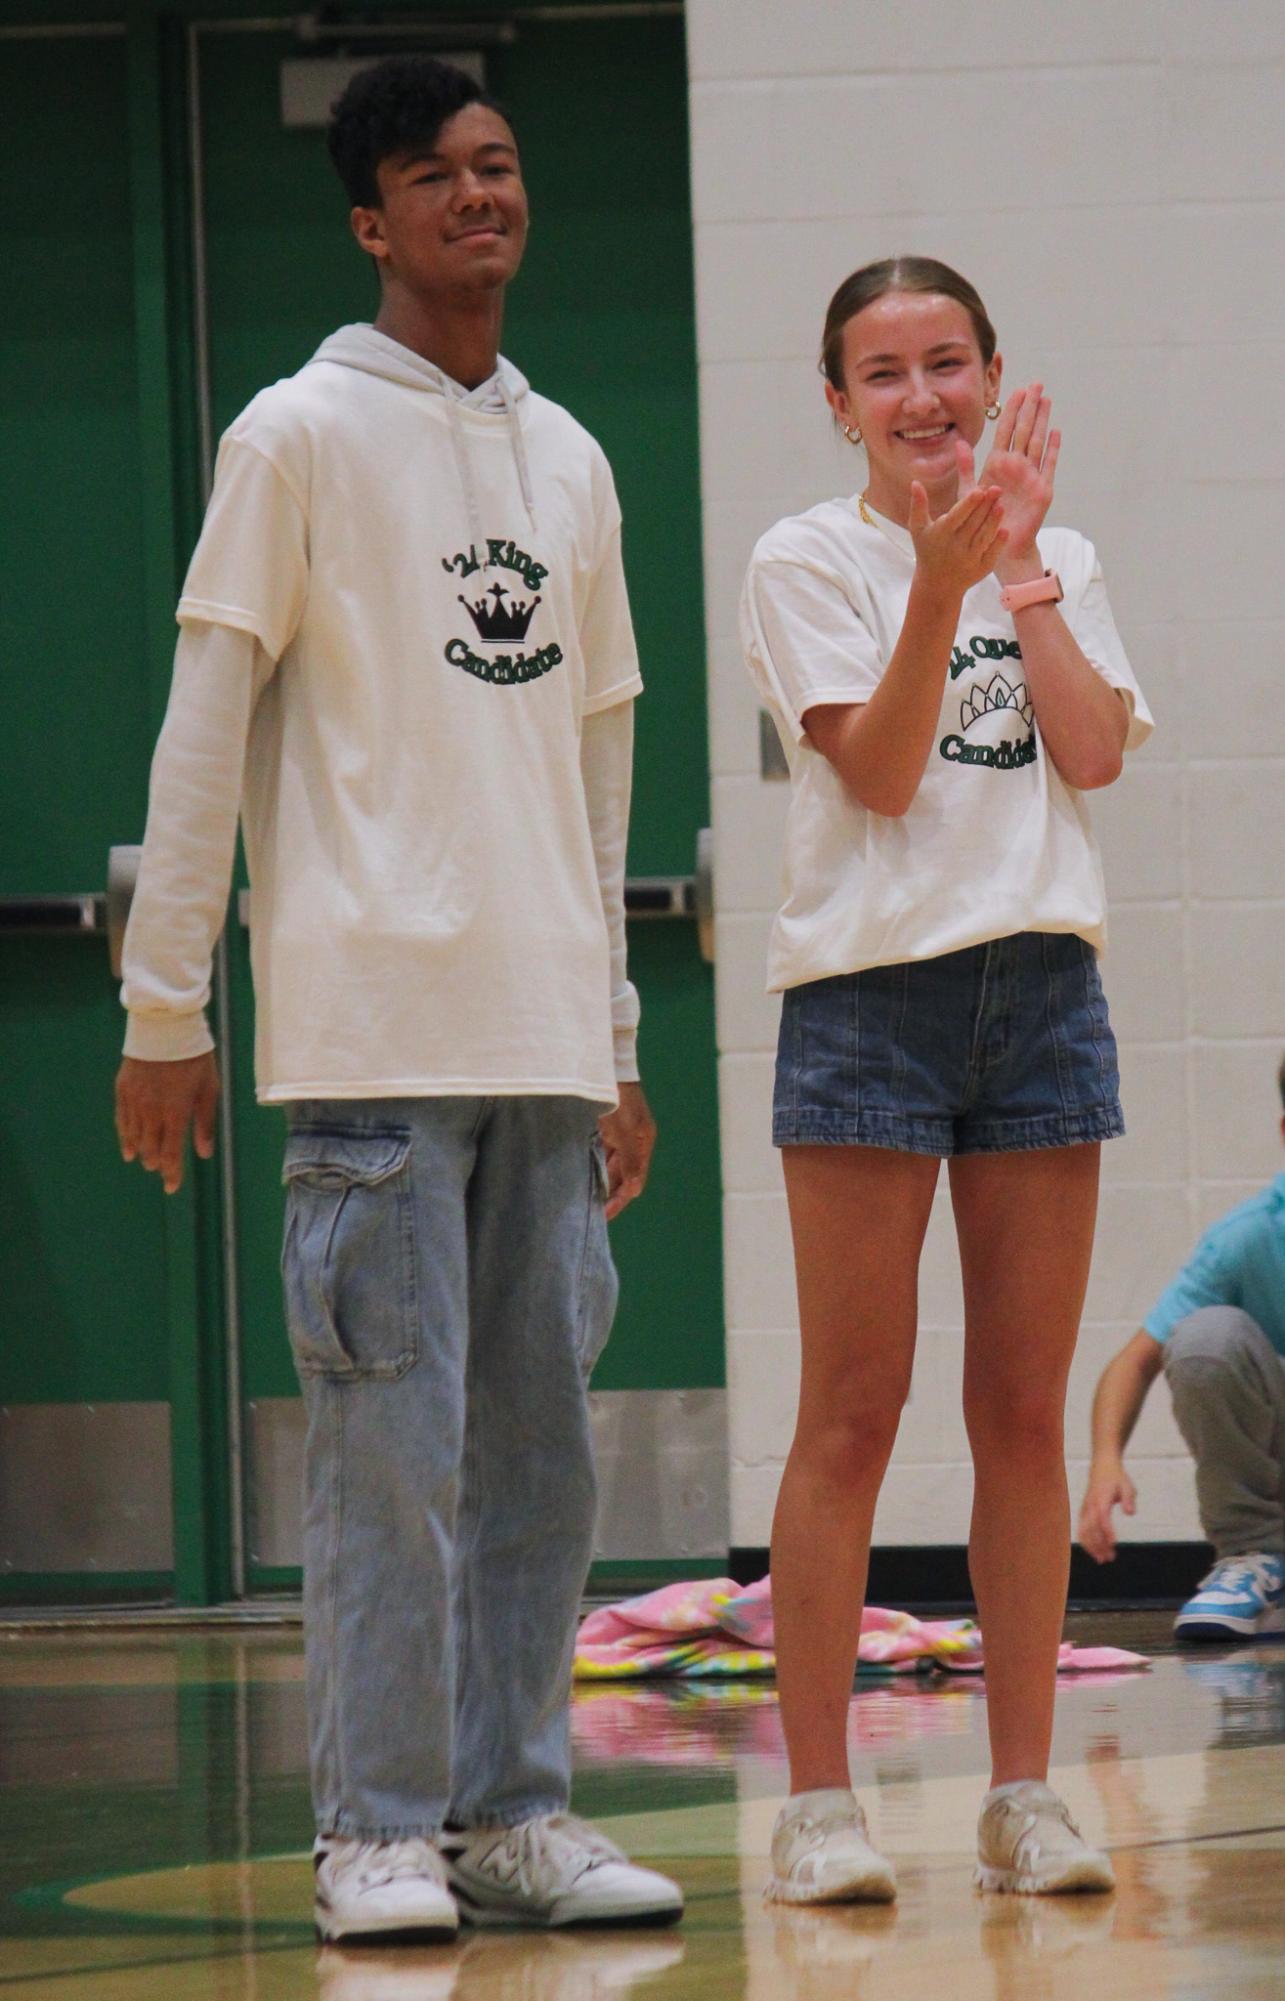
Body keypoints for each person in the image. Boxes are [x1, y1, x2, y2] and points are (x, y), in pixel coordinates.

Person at [113, 55, 682, 1943]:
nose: (477, 196)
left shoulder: (575, 455)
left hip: (539, 1037)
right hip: (368, 1035)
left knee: (539, 1455)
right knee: (388, 1460)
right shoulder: (293, 432)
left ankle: (516, 1811)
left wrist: (613, 1036)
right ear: (372, 218)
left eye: (499, 164)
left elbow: (597, 782)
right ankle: (374, 1824)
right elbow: (207, 726)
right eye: (434, 176)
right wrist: (163, 1001)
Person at [740, 255, 1153, 1903]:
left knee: (1018, 1409)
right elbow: (891, 770)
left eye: (947, 365)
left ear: (992, 376)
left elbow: (1098, 754)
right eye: (884, 373)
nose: (922, 399)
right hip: (867, 1001)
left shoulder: (1066, 555)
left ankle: (1026, 1789)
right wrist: (937, 579)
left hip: (1041, 988)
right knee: (853, 1405)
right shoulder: (803, 559)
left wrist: (1023, 573)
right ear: (839, 404)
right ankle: (823, 1804)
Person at [1078, 1055, 1285, 1641]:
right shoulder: (1247, 1239)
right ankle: (1255, 1558)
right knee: (1202, 1339)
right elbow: (1133, 1362)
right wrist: (1105, 1462)